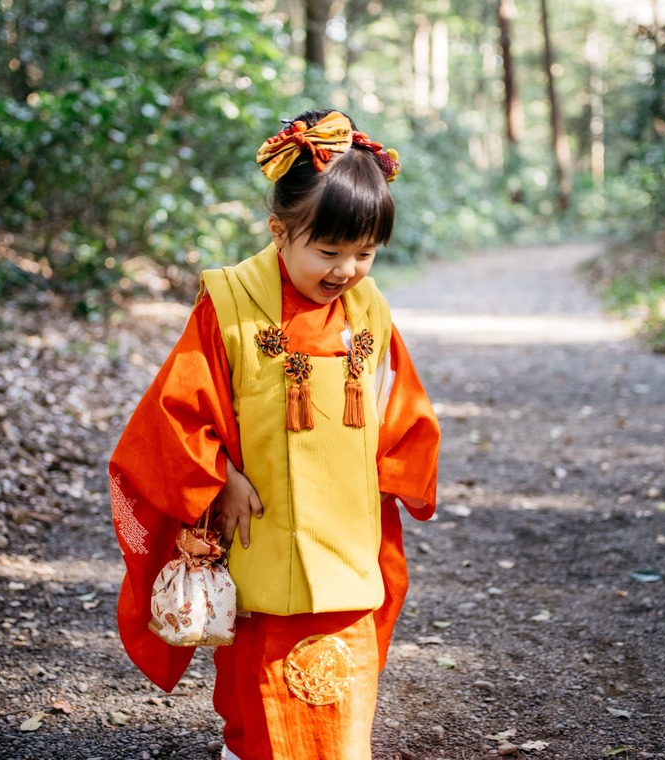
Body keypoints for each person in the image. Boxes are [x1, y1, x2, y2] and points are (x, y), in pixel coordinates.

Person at [108, 107, 440, 759]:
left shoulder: (368, 310)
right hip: (259, 529)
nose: (347, 270)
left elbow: (400, 404)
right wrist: (218, 479)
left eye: (365, 253)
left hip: (347, 535)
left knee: (342, 680)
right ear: (280, 230)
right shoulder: (229, 304)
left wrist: (397, 473)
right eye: (328, 250)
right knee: (253, 680)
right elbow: (174, 412)